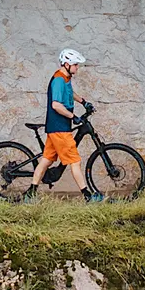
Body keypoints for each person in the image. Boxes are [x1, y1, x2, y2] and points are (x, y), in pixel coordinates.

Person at [26, 49, 104, 203]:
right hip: (59, 128)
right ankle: (88, 196)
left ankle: (30, 194)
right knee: (75, 161)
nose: (78, 67)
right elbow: (56, 105)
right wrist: (73, 117)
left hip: (58, 127)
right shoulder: (58, 80)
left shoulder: (65, 77)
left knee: (46, 160)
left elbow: (69, 92)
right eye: (76, 65)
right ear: (67, 64)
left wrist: (83, 101)